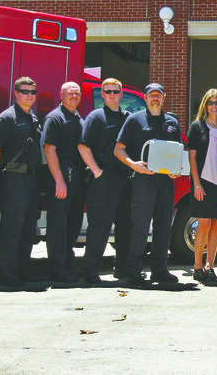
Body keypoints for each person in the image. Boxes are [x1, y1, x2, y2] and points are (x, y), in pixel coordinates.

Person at [115, 83, 183, 288]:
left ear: (164, 98)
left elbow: (178, 150)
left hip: (165, 182)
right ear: (145, 98)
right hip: (143, 180)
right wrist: (133, 165)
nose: (155, 98)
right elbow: (118, 150)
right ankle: (134, 271)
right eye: (151, 95)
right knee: (140, 227)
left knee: (164, 226)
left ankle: (159, 269)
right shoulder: (134, 120)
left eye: (159, 95)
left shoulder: (172, 121)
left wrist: (176, 169)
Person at [0, 77, 43, 287]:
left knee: (28, 227)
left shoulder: (31, 117)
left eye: (33, 91)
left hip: (30, 179)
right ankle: (6, 273)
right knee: (12, 227)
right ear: (16, 93)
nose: (29, 95)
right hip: (12, 179)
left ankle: (22, 269)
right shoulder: (7, 118)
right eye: (25, 91)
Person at [78, 78, 132, 284]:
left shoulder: (129, 117)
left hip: (125, 178)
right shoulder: (95, 117)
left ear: (121, 94)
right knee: (99, 227)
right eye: (107, 91)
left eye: (115, 91)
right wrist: (97, 171)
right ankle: (90, 272)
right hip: (103, 177)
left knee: (125, 226)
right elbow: (83, 146)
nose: (111, 94)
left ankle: (122, 269)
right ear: (102, 94)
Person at [42, 81, 85, 283]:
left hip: (76, 174)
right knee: (59, 224)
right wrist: (59, 181)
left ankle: (67, 262)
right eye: (70, 93)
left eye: (77, 93)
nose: (74, 96)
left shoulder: (78, 118)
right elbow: (49, 150)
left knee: (73, 222)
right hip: (62, 174)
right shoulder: (55, 118)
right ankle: (56, 268)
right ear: (61, 95)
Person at [187, 89, 217, 283]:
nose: (214, 106)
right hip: (203, 182)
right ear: (205, 105)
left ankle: (210, 267)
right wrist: (196, 184)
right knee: (203, 224)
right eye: (210, 102)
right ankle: (197, 266)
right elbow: (192, 157)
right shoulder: (196, 127)